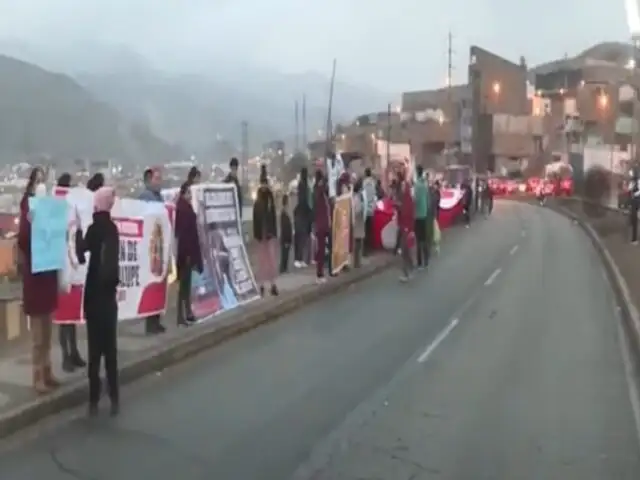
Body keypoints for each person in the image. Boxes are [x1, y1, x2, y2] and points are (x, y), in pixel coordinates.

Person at [75, 186, 120, 416]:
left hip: (93, 298)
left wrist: (77, 235)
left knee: (94, 353)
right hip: (109, 299)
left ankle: (93, 400)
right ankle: (114, 397)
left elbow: (81, 254)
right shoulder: (113, 229)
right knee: (110, 351)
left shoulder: (93, 230)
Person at [18, 167, 61, 394]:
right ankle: (37, 377)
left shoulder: (51, 208)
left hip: (48, 275)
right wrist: (31, 222)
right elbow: (23, 240)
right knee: (37, 334)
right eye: (39, 180)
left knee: (47, 331)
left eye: (45, 180)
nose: (43, 184)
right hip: (35, 277)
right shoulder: (28, 207)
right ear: (32, 184)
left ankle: (47, 370)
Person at [56, 173, 86, 373]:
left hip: (74, 269)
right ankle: (66, 356)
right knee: (63, 318)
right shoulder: (57, 212)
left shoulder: (74, 211)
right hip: (61, 271)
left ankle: (73, 352)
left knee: (71, 317)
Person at [139, 167, 166, 334]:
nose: (159, 182)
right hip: (150, 247)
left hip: (160, 244)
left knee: (159, 284)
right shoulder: (144, 198)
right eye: (156, 179)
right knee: (151, 284)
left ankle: (156, 319)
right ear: (148, 180)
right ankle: (150, 321)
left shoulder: (159, 197)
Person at [175, 182, 203, 326]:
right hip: (185, 252)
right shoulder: (183, 210)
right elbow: (186, 235)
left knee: (186, 285)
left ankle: (186, 313)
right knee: (184, 285)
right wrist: (188, 254)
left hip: (185, 251)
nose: (190, 196)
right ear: (184, 193)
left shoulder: (183, 208)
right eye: (189, 193)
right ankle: (182, 315)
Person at [252, 165, 279, 296]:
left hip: (265, 234)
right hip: (264, 234)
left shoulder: (265, 200)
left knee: (267, 261)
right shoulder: (267, 200)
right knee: (266, 261)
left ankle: (268, 285)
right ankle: (266, 285)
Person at [395, 170, 415, 282]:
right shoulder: (407, 196)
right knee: (405, 249)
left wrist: (398, 206)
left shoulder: (407, 197)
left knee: (405, 249)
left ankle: (407, 272)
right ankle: (409, 270)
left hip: (406, 226)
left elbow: (406, 211)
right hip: (405, 225)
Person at [313, 170, 330, 283]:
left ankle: (320, 271)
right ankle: (319, 274)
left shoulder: (319, 193)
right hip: (321, 226)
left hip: (322, 225)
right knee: (321, 249)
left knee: (322, 249)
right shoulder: (319, 193)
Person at [293, 167, 312, 268]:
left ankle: (299, 259)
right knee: (302, 238)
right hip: (303, 215)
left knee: (300, 238)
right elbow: (304, 200)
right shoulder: (305, 185)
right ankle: (299, 258)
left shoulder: (301, 185)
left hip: (301, 214)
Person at [413, 165, 430, 269]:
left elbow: (415, 199)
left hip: (418, 214)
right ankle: (426, 260)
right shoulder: (425, 184)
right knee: (424, 239)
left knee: (418, 240)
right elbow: (427, 198)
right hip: (424, 213)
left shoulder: (417, 185)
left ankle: (419, 262)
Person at [362, 168, 377, 256]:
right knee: (370, 229)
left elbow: (363, 196)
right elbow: (374, 195)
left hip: (365, 209)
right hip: (371, 209)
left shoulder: (364, 183)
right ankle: (370, 248)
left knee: (365, 230)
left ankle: (365, 250)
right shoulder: (373, 183)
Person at [352, 180, 366, 268]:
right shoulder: (356, 198)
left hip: (358, 220)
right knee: (358, 242)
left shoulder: (356, 197)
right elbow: (357, 210)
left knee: (359, 242)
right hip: (358, 220)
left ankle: (357, 261)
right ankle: (356, 262)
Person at [279, 194, 293, 273]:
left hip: (285, 237)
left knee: (285, 253)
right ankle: (283, 268)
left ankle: (284, 268)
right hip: (285, 238)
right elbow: (285, 227)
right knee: (284, 253)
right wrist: (287, 239)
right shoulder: (284, 213)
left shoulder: (285, 212)